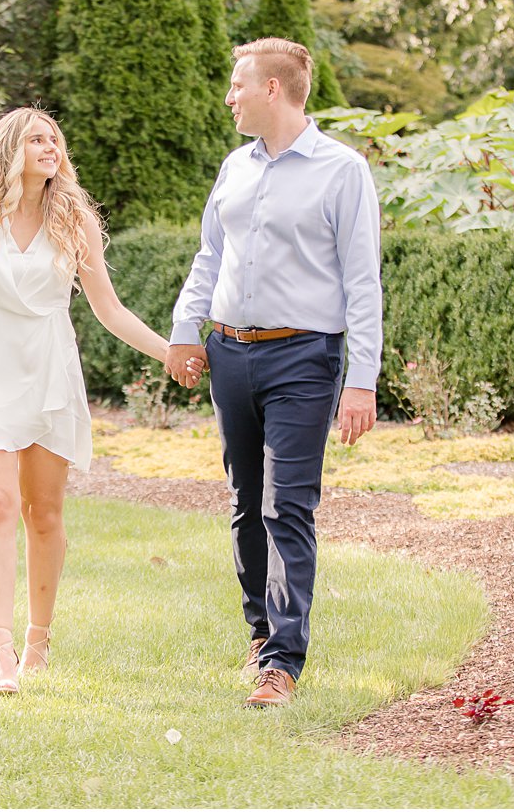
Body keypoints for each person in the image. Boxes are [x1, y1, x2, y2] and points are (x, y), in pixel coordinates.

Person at [0, 106, 191, 697]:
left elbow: (108, 309)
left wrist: (169, 351)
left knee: (43, 514)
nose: (50, 147)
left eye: (54, 139)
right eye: (37, 139)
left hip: (49, 369)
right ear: (10, 150)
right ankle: (1, 653)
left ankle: (38, 642)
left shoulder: (75, 219)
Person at [165, 37, 383, 708]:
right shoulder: (234, 168)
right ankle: (260, 634)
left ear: (274, 89)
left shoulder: (342, 172)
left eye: (238, 85)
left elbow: (362, 281)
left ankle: (283, 662)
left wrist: (361, 377)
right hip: (230, 352)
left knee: (287, 503)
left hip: (304, 357)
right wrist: (185, 329)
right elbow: (210, 257)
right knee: (243, 502)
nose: (229, 97)